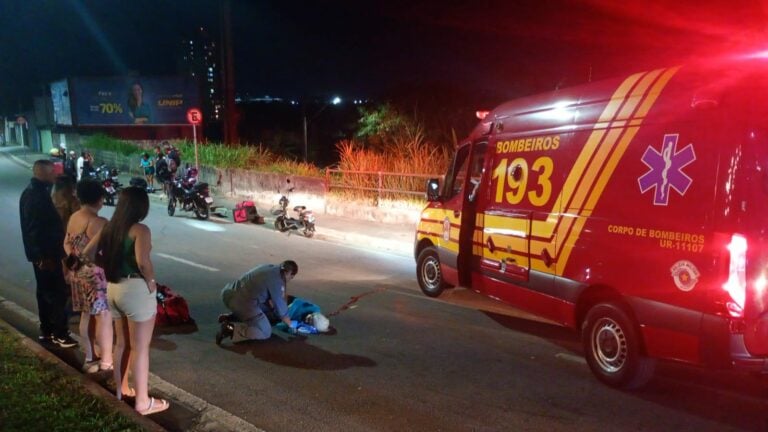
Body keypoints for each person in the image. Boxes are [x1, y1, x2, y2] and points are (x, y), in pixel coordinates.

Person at [89, 187, 169, 415]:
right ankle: (143, 402)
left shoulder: (109, 227)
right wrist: (151, 281)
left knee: (121, 344)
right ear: (141, 206)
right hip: (135, 290)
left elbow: (87, 252)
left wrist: (107, 267)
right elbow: (143, 262)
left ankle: (121, 390)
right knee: (140, 348)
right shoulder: (140, 230)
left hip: (114, 288)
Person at [19, 160, 78, 348]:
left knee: (46, 293)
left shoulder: (37, 192)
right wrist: (41, 257)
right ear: (43, 173)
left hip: (47, 254)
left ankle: (48, 331)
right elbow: (33, 230)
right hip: (47, 255)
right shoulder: (35, 196)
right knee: (56, 294)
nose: (55, 175)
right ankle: (59, 333)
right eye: (52, 172)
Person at [65, 179, 112, 373]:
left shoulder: (74, 217)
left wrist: (73, 260)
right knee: (104, 316)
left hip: (77, 273)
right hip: (96, 275)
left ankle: (90, 356)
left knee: (86, 314)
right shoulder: (100, 223)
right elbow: (106, 252)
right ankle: (107, 360)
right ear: (100, 198)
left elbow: (66, 243)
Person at [216, 261, 300, 344]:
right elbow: (281, 310)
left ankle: (231, 317)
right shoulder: (277, 281)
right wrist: (291, 325)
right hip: (241, 304)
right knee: (265, 331)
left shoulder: (268, 267)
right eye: (291, 277)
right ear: (288, 273)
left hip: (229, 294)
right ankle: (230, 329)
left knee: (267, 310)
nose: (289, 280)